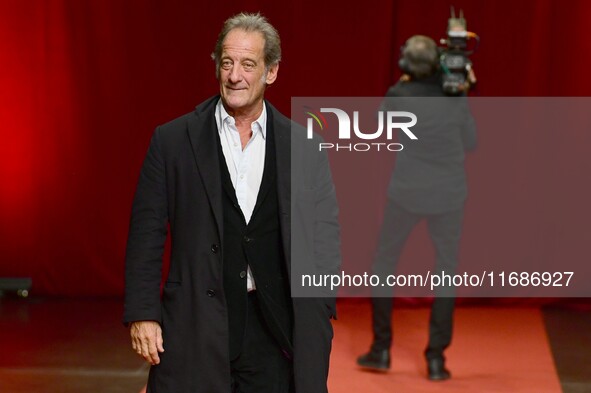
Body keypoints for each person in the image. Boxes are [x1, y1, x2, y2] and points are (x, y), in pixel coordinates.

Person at [124, 12, 340, 393]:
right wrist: (143, 313)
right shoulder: (172, 140)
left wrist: (319, 310)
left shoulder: (303, 147)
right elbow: (146, 234)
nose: (234, 75)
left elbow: (325, 238)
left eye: (247, 64)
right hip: (195, 325)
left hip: (276, 331)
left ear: (271, 72)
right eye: (227, 63)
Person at [356, 35, 477, 381]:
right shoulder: (454, 96)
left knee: (383, 264)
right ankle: (436, 359)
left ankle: (380, 349)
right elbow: (472, 142)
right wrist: (461, 91)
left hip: (406, 193)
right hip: (449, 195)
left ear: (406, 66)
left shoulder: (398, 95)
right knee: (446, 270)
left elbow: (380, 130)